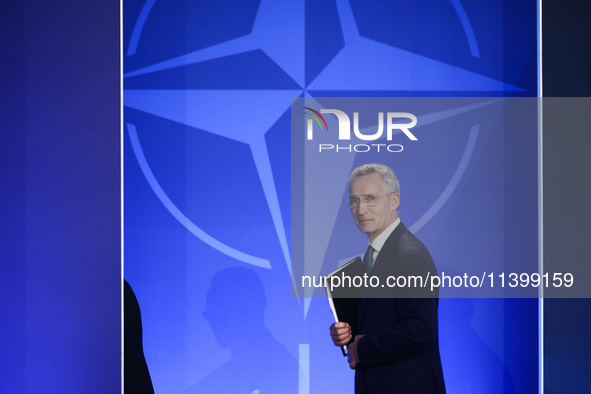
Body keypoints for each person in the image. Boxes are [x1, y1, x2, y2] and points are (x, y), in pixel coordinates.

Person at [329, 163, 445, 393]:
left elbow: (421, 328)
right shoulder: (377, 254)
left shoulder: (409, 256)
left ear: (394, 201)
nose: (361, 209)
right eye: (355, 200)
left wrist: (364, 346)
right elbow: (381, 320)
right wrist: (348, 332)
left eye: (370, 198)